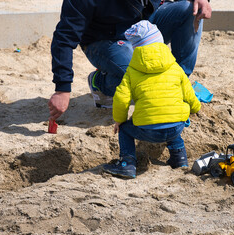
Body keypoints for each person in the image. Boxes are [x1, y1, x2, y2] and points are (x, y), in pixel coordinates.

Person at [48, 0, 211, 120]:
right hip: (105, 40)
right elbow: (63, 39)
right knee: (138, 70)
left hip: (145, 24)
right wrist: (62, 89)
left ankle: (179, 84)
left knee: (191, 9)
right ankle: (101, 83)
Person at [102, 20, 201, 179]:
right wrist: (196, 108)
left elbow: (121, 98)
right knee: (173, 119)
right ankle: (180, 158)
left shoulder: (132, 71)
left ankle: (127, 164)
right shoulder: (174, 66)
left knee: (126, 130)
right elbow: (188, 92)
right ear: (161, 42)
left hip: (148, 130)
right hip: (177, 126)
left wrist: (119, 120)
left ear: (135, 49)